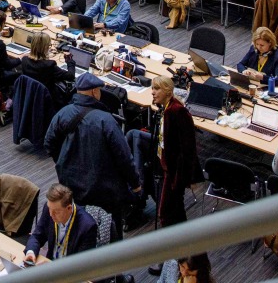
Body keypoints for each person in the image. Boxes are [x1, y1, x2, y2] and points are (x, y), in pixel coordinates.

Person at [44, 73, 142, 225]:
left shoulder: (62, 113)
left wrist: (64, 161)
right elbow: (123, 156)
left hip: (71, 185)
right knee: (109, 230)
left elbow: (49, 143)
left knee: (78, 227)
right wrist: (135, 184)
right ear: (94, 92)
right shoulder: (106, 120)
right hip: (103, 190)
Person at [150, 76, 201, 227]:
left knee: (166, 213)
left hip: (175, 173)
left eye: (157, 89)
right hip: (168, 169)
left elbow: (188, 148)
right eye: (152, 88)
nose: (153, 92)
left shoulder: (177, 111)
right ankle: (192, 250)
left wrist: (187, 177)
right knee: (177, 215)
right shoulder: (166, 109)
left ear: (167, 91)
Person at [24, 183, 98, 263]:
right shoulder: (50, 208)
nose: (51, 214)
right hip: (50, 262)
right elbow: (37, 236)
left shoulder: (87, 226)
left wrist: (52, 268)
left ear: (69, 208)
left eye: (56, 212)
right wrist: (31, 252)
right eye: (49, 209)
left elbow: (82, 263)